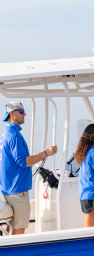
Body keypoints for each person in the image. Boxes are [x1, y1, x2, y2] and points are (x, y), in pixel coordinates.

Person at [0, 101, 57, 235]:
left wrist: (40, 155)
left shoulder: (6, 134)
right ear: (12, 113)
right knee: (19, 230)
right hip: (18, 190)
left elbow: (15, 160)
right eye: (21, 111)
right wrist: (46, 153)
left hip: (8, 189)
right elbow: (23, 162)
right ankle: (15, 255)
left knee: (12, 228)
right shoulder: (14, 135)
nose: (24, 113)